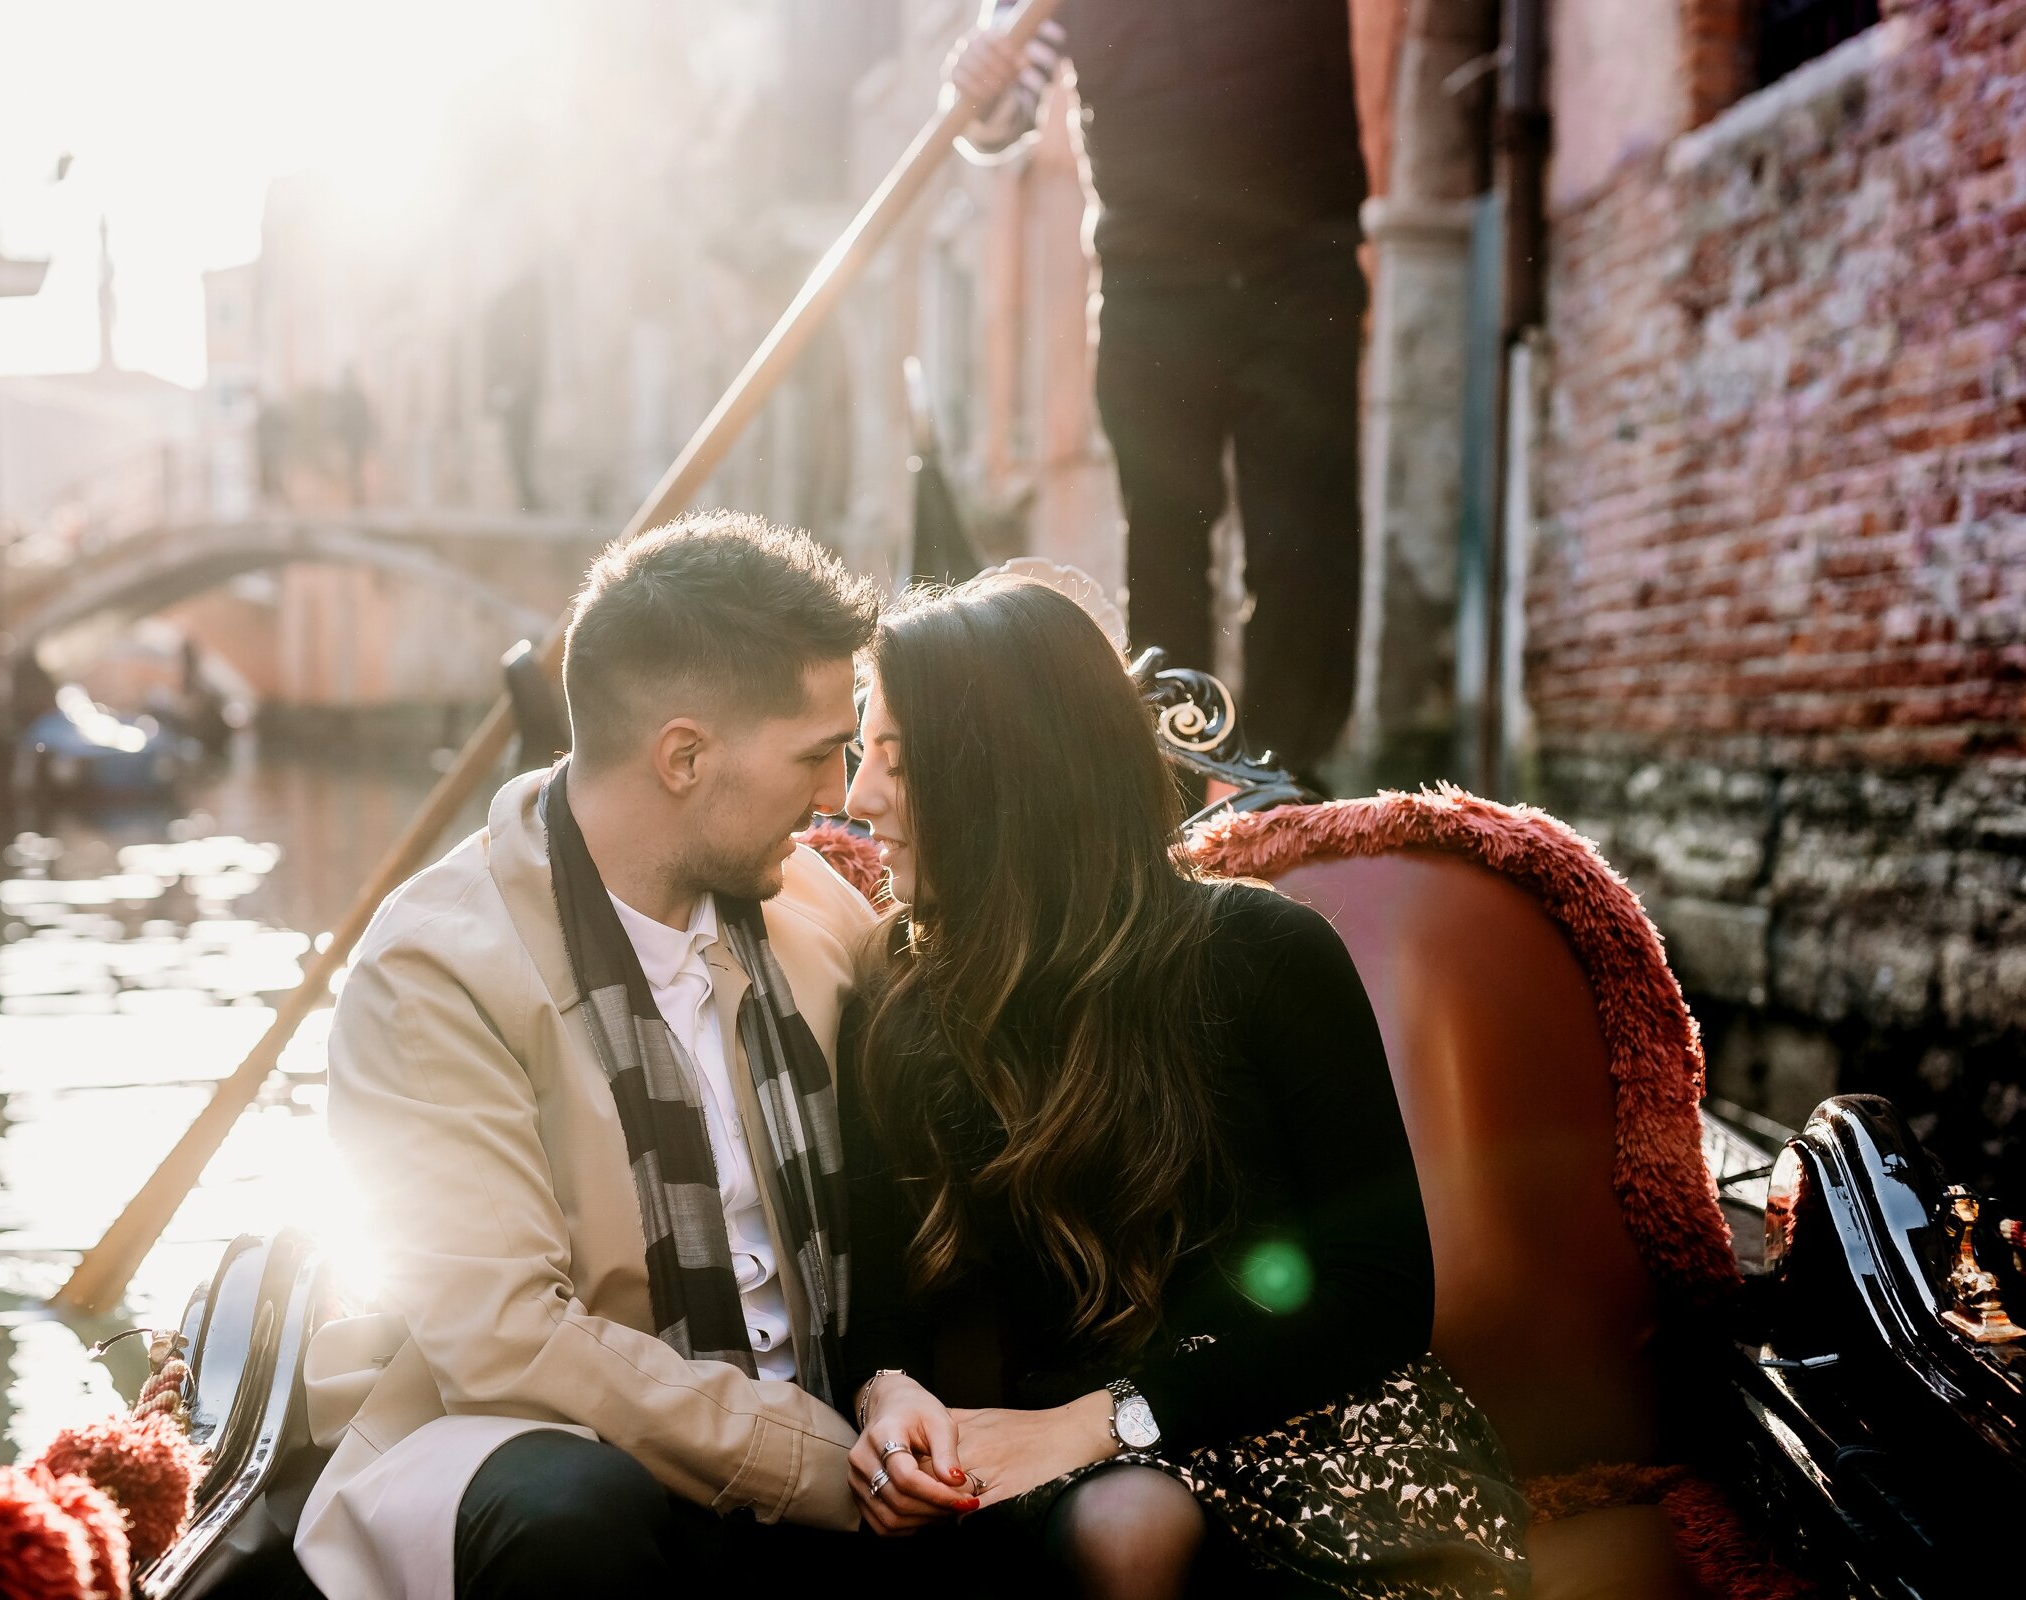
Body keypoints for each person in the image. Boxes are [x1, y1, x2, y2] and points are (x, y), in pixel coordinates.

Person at [837, 576, 1527, 1598]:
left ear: (1006, 769)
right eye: (861, 754)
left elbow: (1380, 1296)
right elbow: (878, 1290)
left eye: (895, 757)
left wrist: (1104, 1418)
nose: (857, 800)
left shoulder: (1263, 953)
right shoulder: (898, 995)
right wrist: (887, 1403)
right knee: (1127, 1526)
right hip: (1086, 1477)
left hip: (1321, 1430)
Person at [293, 514, 927, 1600]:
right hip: (530, 1449)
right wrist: (825, 1465)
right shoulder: (432, 968)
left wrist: (904, 1411)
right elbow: (508, 1344)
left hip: (841, 1436)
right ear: (683, 756)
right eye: (818, 753)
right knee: (578, 1512)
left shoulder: (812, 908)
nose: (839, 799)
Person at [947, 0, 1370, 787]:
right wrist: (978, 75)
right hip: (1153, 282)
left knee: (1303, 543)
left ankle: (1285, 789)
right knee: (1166, 544)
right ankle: (1174, 794)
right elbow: (998, 112)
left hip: (1301, 264)